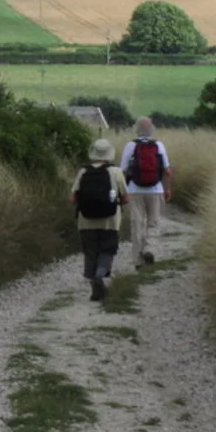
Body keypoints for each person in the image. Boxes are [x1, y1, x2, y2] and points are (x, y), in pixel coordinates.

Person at [70, 137, 129, 301]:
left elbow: (73, 198)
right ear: (109, 154)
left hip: (85, 221)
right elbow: (125, 198)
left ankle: (93, 283)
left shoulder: (83, 172)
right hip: (110, 221)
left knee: (90, 252)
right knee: (107, 250)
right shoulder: (116, 172)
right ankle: (100, 275)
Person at [120, 117, 173, 267]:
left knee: (137, 224)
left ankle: (137, 260)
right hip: (155, 190)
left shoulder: (131, 145)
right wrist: (168, 189)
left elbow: (122, 170)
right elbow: (167, 171)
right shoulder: (159, 145)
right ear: (151, 130)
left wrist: (122, 191)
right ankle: (149, 249)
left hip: (134, 190)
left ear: (137, 129)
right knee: (153, 223)